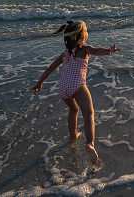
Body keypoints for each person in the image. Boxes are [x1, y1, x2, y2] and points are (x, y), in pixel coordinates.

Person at [32, 20, 120, 164]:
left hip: (63, 87)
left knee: (73, 109)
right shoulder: (85, 49)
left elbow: (50, 68)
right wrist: (109, 51)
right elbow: (97, 51)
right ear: (82, 36)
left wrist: (39, 83)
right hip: (77, 86)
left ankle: (73, 136)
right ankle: (90, 143)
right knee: (89, 114)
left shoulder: (65, 54)